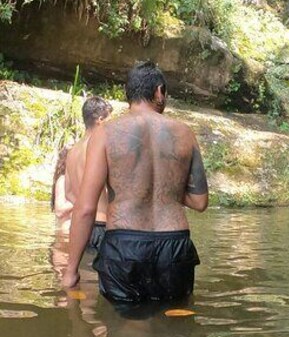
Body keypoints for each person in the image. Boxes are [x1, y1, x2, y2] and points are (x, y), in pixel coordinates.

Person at [62, 60, 209, 307]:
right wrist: (166, 182)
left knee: (127, 328)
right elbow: (200, 201)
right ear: (159, 91)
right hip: (174, 244)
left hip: (125, 245)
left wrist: (71, 269)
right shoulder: (185, 134)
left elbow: (86, 208)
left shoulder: (106, 133)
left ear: (128, 94)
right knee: (176, 324)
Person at [65, 96, 113, 251]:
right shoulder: (98, 148)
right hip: (102, 226)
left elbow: (68, 193)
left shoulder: (72, 151)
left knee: (85, 273)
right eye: (109, 120)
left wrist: (83, 206)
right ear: (100, 120)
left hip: (80, 226)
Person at [51, 145, 73, 233]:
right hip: (64, 235)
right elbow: (59, 211)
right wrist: (82, 200)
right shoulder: (63, 180)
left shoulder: (73, 180)